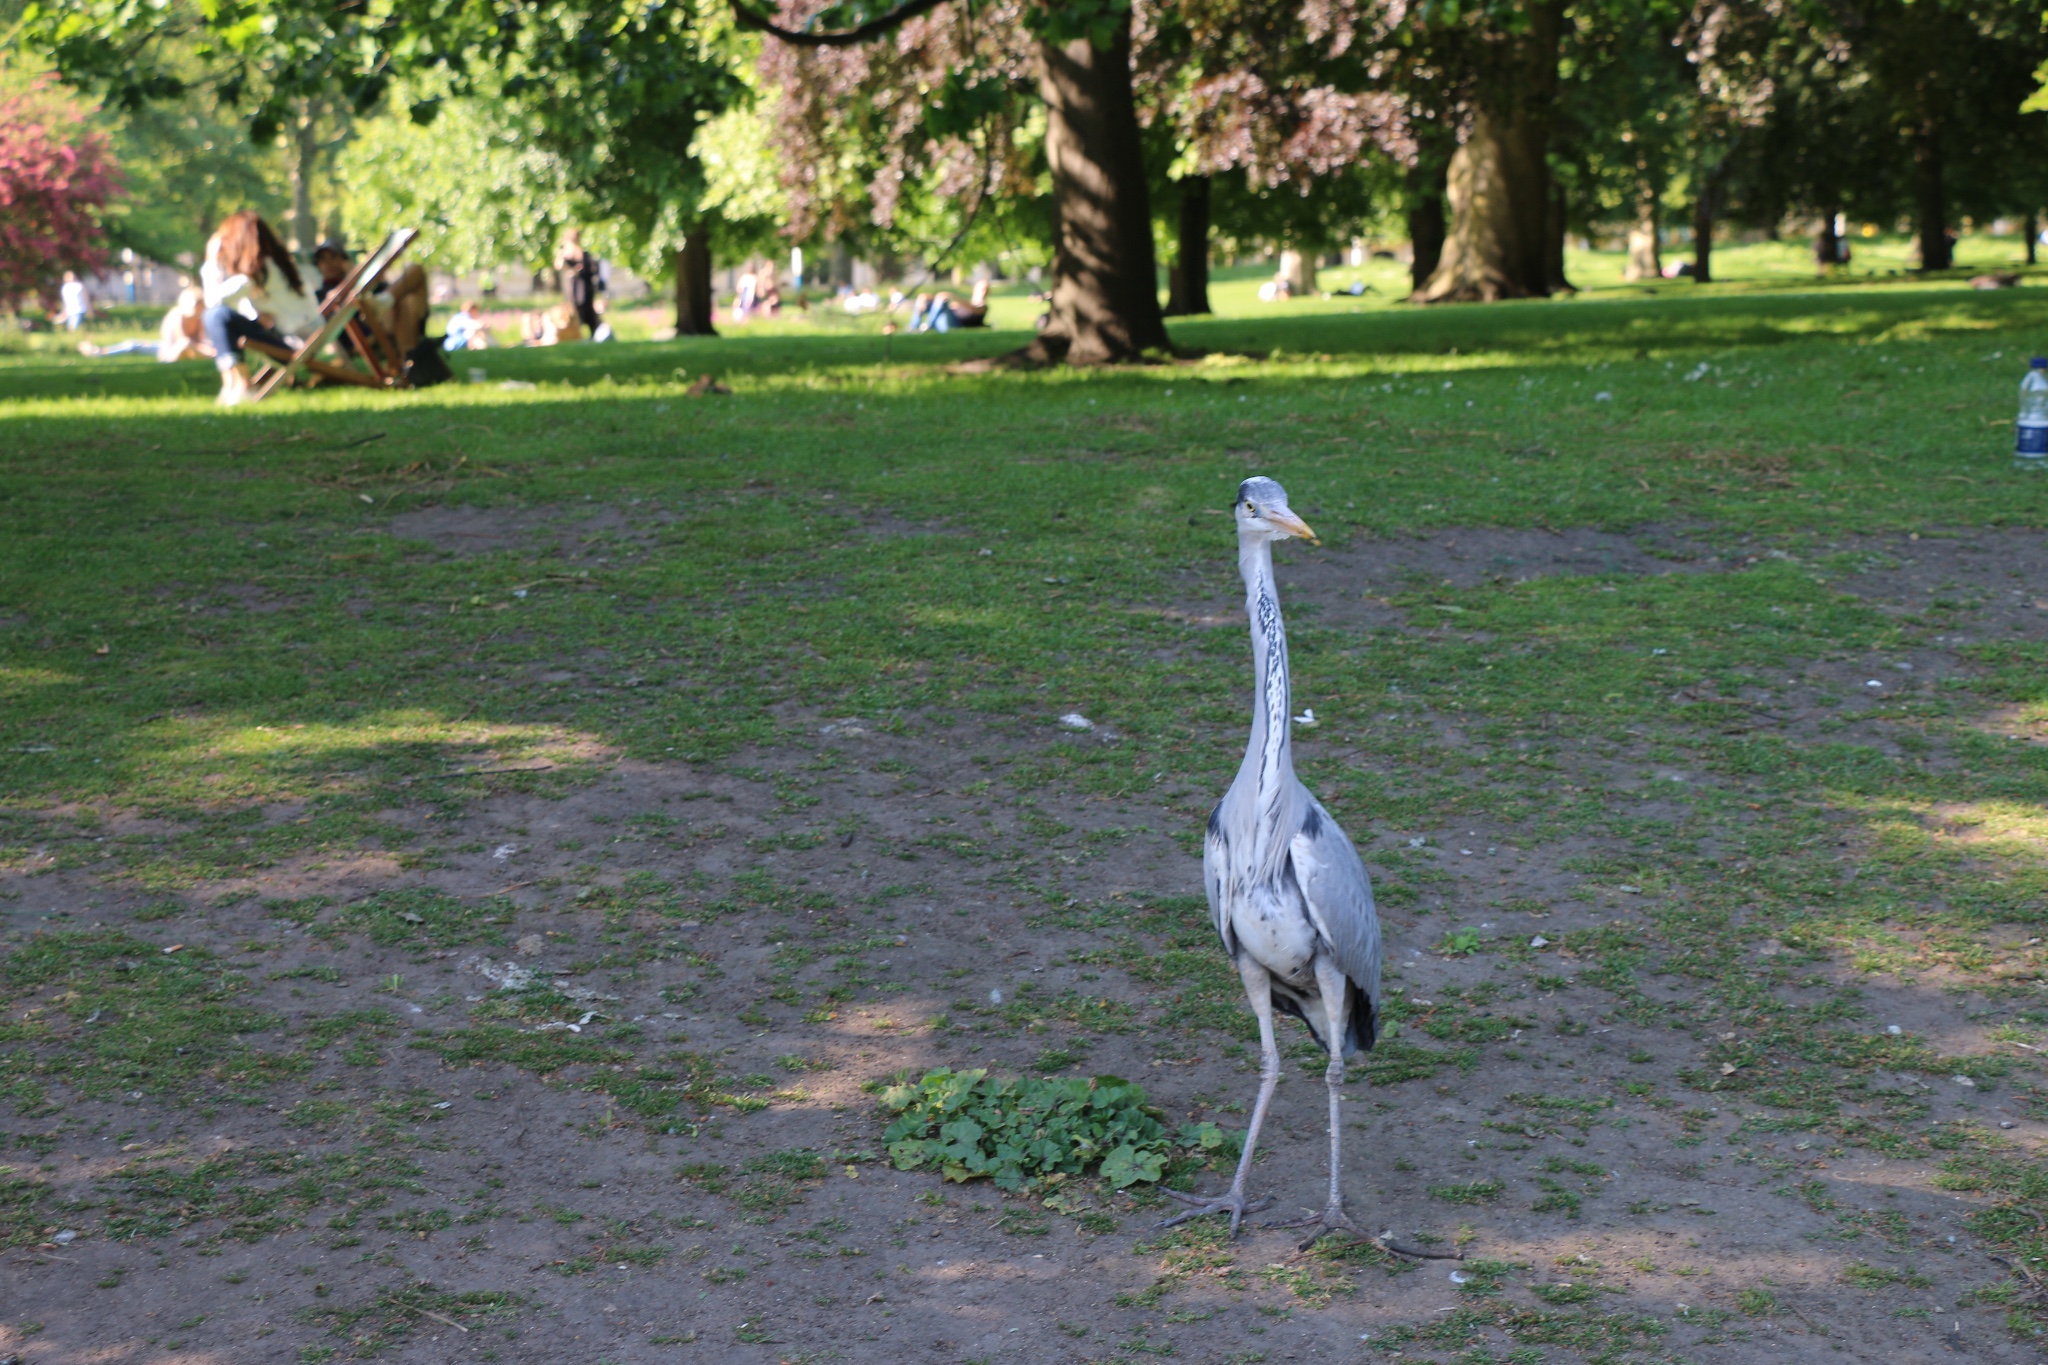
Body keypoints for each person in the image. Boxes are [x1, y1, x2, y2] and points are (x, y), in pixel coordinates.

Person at [200, 210, 323, 406]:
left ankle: (241, 384)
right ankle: (232, 383)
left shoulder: (259, 271)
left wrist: (211, 262)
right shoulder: (276, 265)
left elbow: (214, 302)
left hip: (294, 346)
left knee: (216, 315)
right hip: (304, 340)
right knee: (219, 315)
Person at [311, 240, 429, 355]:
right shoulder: (321, 294)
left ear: (343, 259)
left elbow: (385, 289)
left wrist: (355, 278)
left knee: (414, 278)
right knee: (407, 302)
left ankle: (409, 360)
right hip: (364, 335)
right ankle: (410, 359)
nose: (329, 263)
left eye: (333, 257)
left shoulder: (361, 282)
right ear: (318, 264)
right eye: (323, 259)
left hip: (386, 320)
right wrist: (351, 282)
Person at [77, 286, 215, 361]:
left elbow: (200, 340)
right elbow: (182, 341)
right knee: (133, 344)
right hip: (170, 350)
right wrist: (205, 349)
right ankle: (99, 352)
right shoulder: (177, 316)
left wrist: (207, 348)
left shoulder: (199, 318)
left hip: (188, 350)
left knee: (209, 348)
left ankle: (98, 351)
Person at [554, 229, 603, 332]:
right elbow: (559, 265)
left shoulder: (584, 254)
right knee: (575, 316)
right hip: (574, 292)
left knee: (589, 316)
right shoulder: (566, 255)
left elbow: (593, 270)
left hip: (585, 290)